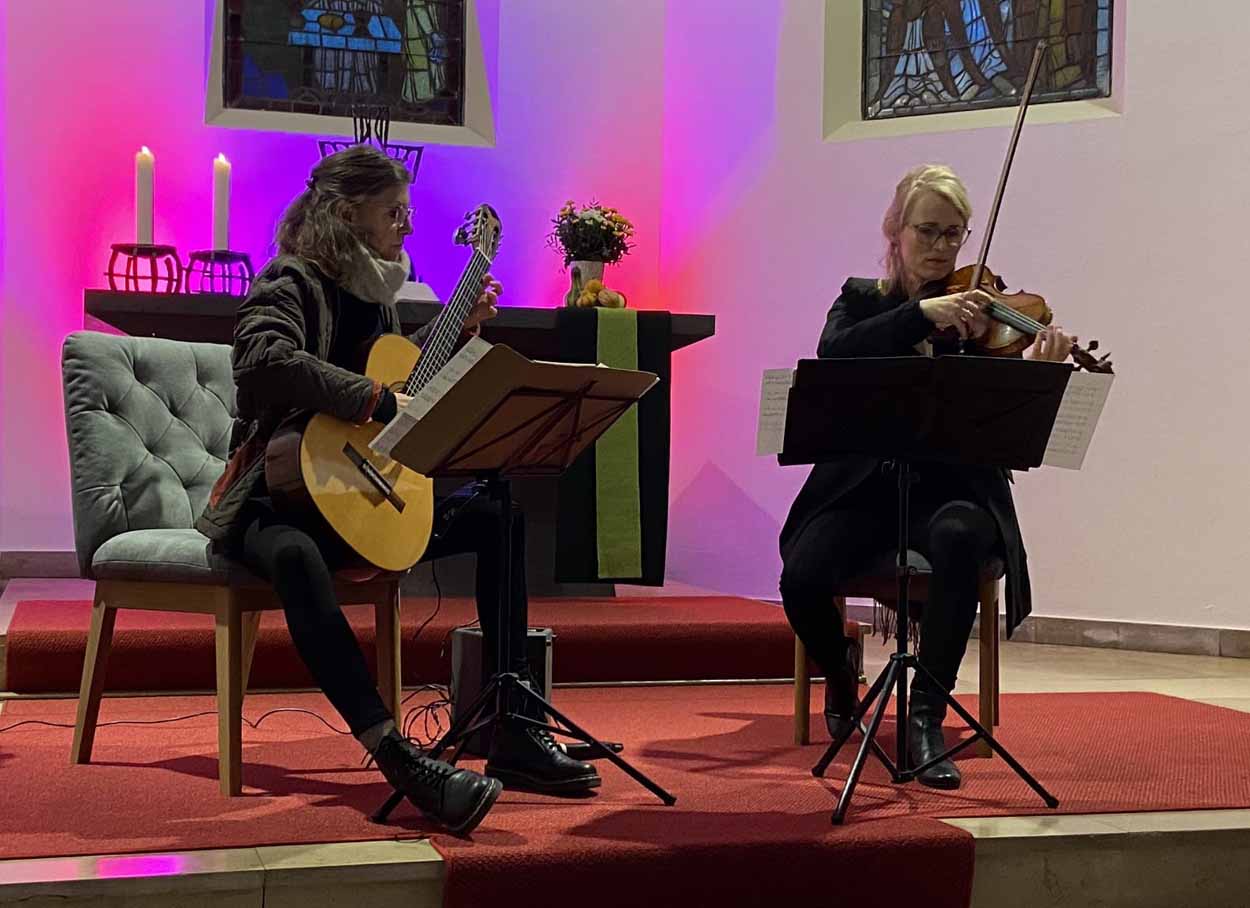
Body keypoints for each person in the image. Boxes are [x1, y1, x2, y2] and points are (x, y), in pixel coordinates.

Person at [196, 145, 599, 834]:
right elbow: (266, 358)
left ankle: (512, 727)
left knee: (497, 512)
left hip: (355, 496)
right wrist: (377, 401)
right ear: (348, 212)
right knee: (294, 557)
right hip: (275, 496)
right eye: (395, 212)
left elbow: (390, 373)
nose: (407, 227)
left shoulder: (374, 297)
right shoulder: (289, 282)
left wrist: (453, 333)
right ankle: (394, 752)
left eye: (407, 212)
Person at [778, 164, 1074, 789]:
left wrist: (1041, 372)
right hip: (864, 490)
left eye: (955, 234)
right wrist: (921, 315)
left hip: (955, 490)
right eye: (928, 231)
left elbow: (1009, 428)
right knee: (802, 577)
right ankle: (841, 673)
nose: (941, 248)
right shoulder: (861, 300)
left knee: (962, 539)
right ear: (896, 231)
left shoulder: (985, 316)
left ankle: (926, 716)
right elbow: (835, 353)